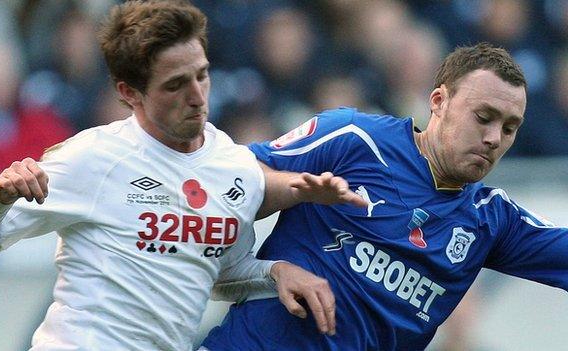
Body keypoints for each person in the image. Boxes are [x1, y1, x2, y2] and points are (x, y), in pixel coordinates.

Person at [0, 1, 367, 350]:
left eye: (202, 75)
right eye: (175, 85)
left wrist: (275, 272)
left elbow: (219, 274)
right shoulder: (95, 156)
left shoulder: (233, 165)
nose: (197, 96)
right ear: (129, 93)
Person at [201, 42, 568, 350]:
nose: (494, 138)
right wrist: (291, 190)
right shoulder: (354, 138)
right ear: (439, 101)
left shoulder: (491, 220)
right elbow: (234, 177)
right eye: (483, 117)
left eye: (509, 127)